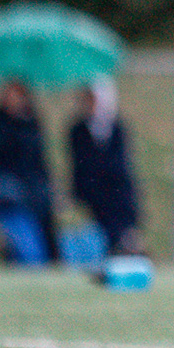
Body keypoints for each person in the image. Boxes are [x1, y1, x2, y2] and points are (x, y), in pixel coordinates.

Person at [0, 79, 57, 266]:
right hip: (8, 193)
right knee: (29, 252)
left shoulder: (32, 122)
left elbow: (39, 160)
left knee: (42, 244)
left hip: (33, 193)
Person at [67, 77, 144, 256]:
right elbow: (82, 168)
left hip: (116, 198)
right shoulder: (78, 130)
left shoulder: (117, 129)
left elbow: (119, 169)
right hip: (90, 197)